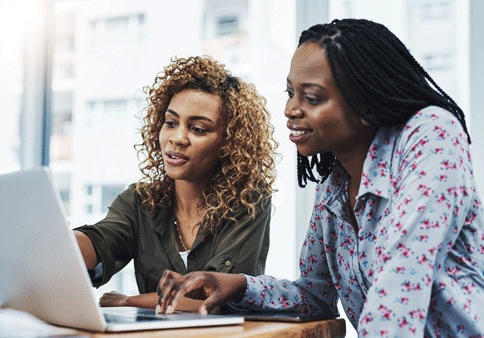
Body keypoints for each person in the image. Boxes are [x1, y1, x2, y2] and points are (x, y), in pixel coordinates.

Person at [156, 18, 484, 336]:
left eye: (311, 98)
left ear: (365, 105)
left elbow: (403, 277)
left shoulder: (431, 134)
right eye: (290, 93)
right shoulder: (333, 188)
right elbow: (316, 296)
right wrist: (238, 285)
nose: (290, 110)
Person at [73, 55, 278, 310]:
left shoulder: (248, 199)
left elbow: (213, 298)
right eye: (171, 123)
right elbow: (101, 241)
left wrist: (128, 301)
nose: (177, 138)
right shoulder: (140, 201)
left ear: (229, 143)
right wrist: (62, 241)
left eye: (198, 129)